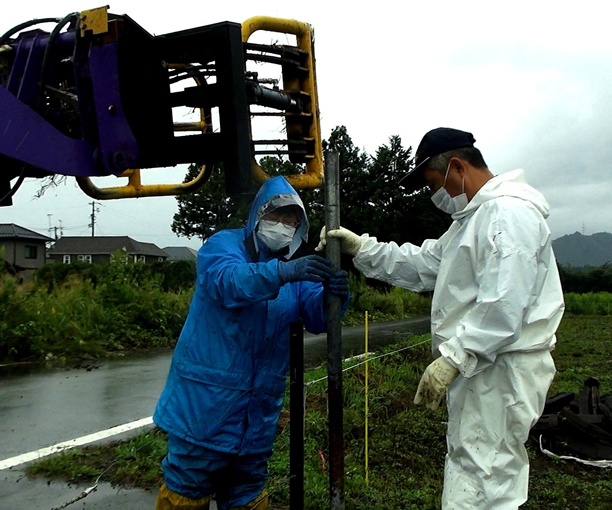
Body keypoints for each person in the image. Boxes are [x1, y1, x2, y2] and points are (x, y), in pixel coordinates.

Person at [318, 128, 564, 509]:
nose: (435, 196)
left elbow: (504, 304)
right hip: (486, 368)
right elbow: (423, 264)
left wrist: (455, 357)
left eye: (435, 184)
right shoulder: (472, 220)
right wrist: (362, 248)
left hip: (503, 369)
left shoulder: (508, 214)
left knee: (485, 476)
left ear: (456, 167)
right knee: (477, 469)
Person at [155, 176, 349, 510]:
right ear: (258, 214)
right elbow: (228, 283)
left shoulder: (292, 272)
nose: (283, 226)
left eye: (292, 220)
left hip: (256, 421)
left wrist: (335, 296)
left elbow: (318, 318)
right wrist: (282, 273)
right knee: (187, 489)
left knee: (247, 492)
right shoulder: (224, 247)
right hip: (203, 414)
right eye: (277, 216)